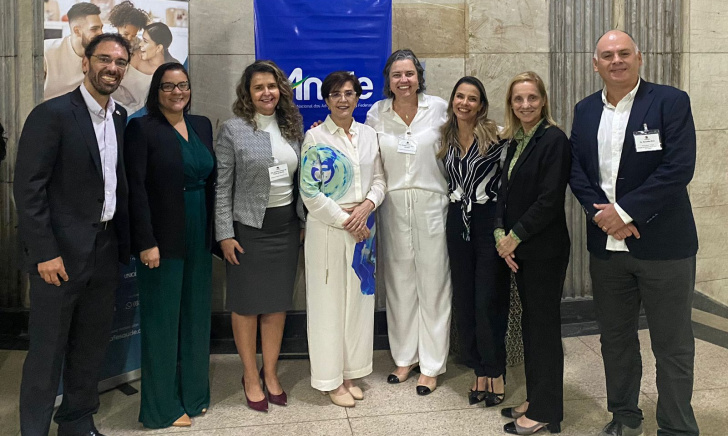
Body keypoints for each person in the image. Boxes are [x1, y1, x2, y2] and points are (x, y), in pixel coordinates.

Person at [570, 30, 699, 436]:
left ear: (639, 58)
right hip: (607, 250)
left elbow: (678, 168)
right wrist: (604, 216)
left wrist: (625, 212)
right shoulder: (585, 110)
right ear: (596, 64)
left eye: (624, 53)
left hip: (665, 246)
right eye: (607, 55)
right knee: (616, 340)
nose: (617, 60)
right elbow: (577, 171)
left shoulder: (670, 102)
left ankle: (677, 428)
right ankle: (625, 417)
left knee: (672, 345)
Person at [15, 33, 131, 436]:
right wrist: (44, 252)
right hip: (59, 256)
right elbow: (28, 189)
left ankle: (78, 422)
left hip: (105, 248)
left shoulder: (119, 116)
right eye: (104, 59)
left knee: (90, 345)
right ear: (86, 62)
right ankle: (33, 430)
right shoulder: (52, 114)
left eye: (120, 62)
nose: (112, 68)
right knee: (47, 352)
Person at [125, 62, 215, 428]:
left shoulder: (202, 125)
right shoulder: (141, 128)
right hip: (162, 237)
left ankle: (194, 394)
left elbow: (212, 180)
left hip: (200, 230)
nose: (177, 92)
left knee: (196, 315)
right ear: (156, 91)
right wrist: (145, 242)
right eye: (168, 86)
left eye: (183, 85)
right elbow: (135, 189)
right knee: (162, 321)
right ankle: (161, 407)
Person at [215, 60, 305, 413]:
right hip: (248, 230)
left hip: (286, 227)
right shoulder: (233, 129)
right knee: (246, 305)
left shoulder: (292, 126)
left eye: (272, 86)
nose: (267, 93)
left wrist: (302, 222)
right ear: (248, 93)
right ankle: (250, 376)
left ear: (281, 89)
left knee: (277, 303)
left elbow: (301, 178)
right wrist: (224, 234)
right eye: (258, 87)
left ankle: (270, 373)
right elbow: (222, 186)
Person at [365, 49, 452, 396]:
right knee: (399, 283)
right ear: (388, 80)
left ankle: (431, 364)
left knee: (434, 283)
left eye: (409, 74)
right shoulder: (376, 113)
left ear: (419, 77)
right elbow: (365, 154)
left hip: (432, 203)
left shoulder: (439, 108)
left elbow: (467, 135)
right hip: (393, 205)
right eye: (397, 75)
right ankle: (404, 358)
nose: (404, 80)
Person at [301, 71, 386, 407]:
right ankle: (330, 379)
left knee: (357, 305)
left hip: (365, 229)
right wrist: (347, 221)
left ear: (357, 97)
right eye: (335, 94)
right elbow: (310, 192)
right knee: (328, 305)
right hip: (330, 229)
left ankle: (350, 373)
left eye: (349, 93)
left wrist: (367, 206)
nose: (343, 99)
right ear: (326, 100)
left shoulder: (369, 135)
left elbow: (379, 179)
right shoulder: (316, 137)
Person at [494, 71, 570, 435]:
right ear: (510, 104)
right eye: (518, 99)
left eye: (532, 98)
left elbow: (549, 200)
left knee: (543, 329)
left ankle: (546, 411)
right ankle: (536, 398)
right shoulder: (514, 141)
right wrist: (501, 236)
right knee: (530, 327)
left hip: (544, 250)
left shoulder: (554, 139)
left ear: (543, 101)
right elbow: (503, 193)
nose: (525, 105)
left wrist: (514, 238)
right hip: (520, 248)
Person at [437, 76, 510, 406]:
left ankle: (495, 370)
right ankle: (478, 368)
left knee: (487, 299)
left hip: (487, 220)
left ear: (481, 105)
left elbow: (509, 182)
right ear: (452, 100)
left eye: (472, 98)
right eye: (460, 96)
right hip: (457, 221)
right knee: (465, 300)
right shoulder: (446, 137)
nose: (464, 103)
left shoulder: (496, 136)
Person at [43, 2, 103, 100]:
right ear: (77, 31)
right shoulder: (47, 51)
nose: (101, 33)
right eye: (94, 29)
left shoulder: (101, 56)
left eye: (101, 28)